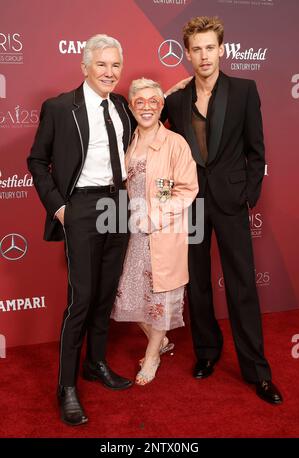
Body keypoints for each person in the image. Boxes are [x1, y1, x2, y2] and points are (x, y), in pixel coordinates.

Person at [163, 16, 283, 404]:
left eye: (210, 47)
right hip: (192, 204)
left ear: (222, 49)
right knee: (197, 283)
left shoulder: (245, 90)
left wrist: (247, 194)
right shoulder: (178, 100)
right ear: (187, 53)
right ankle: (207, 353)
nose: (204, 56)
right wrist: (168, 90)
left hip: (231, 201)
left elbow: (256, 149)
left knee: (242, 285)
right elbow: (143, 120)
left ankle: (257, 370)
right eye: (196, 49)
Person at [27, 34, 136, 426]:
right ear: (85, 66)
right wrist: (59, 208)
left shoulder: (121, 105)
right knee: (82, 297)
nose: (110, 72)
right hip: (82, 207)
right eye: (102, 64)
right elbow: (37, 161)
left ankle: (96, 364)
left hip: (118, 203)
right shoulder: (60, 107)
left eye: (115, 66)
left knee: (106, 292)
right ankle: (67, 387)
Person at [111, 78, 198, 385]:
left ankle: (152, 356)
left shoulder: (175, 143)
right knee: (128, 295)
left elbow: (187, 189)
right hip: (130, 233)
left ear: (162, 106)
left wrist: (155, 217)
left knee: (159, 297)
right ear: (131, 106)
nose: (146, 107)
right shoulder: (128, 141)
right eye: (140, 101)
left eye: (154, 101)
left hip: (162, 232)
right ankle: (158, 341)